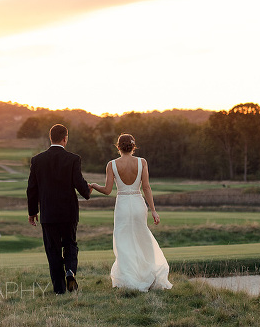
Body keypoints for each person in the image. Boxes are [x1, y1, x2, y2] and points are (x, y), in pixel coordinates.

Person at [90, 133, 172, 291]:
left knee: (124, 242)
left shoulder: (111, 164)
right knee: (142, 238)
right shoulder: (142, 162)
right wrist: (153, 210)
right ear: (133, 146)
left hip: (122, 205)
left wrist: (94, 185)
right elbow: (146, 187)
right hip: (137, 204)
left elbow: (107, 190)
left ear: (118, 146)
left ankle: (129, 279)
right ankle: (147, 275)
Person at [27, 124, 93, 294]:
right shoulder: (73, 158)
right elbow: (79, 183)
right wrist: (87, 191)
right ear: (65, 138)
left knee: (53, 250)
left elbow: (32, 189)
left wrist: (32, 212)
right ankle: (70, 271)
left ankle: (59, 289)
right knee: (70, 244)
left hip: (48, 214)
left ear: (51, 138)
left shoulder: (37, 160)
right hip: (69, 212)